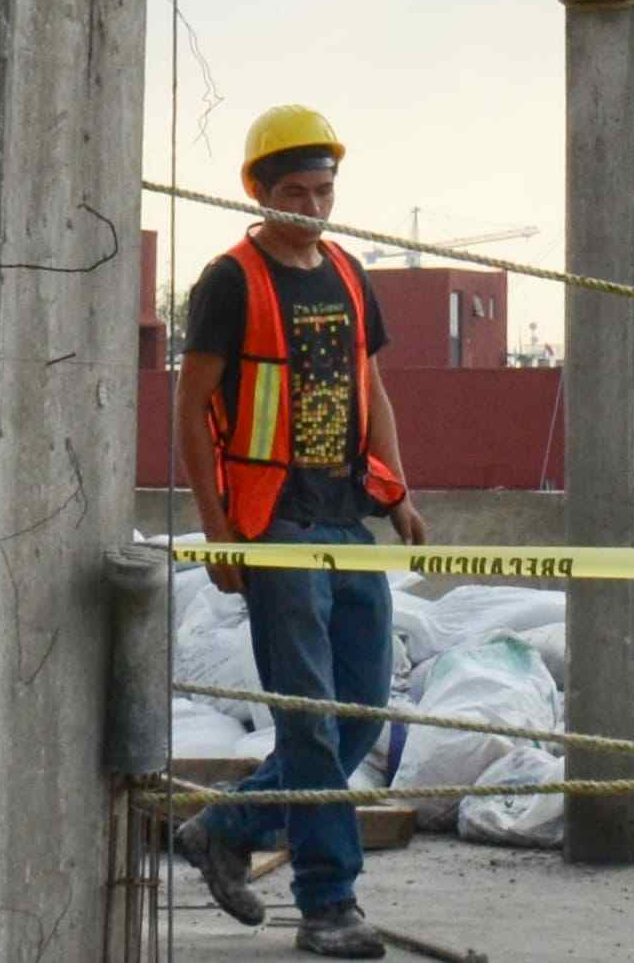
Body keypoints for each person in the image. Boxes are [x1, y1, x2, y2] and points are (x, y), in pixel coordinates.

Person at [172, 105, 424, 960]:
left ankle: (228, 825)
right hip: (273, 525)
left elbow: (372, 390)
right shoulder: (230, 282)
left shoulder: (348, 273)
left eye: (323, 191)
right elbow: (190, 410)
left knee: (357, 713)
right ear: (257, 191)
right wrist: (218, 535)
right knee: (310, 722)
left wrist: (396, 496)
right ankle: (329, 905)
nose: (311, 208)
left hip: (344, 517)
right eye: (294, 193)